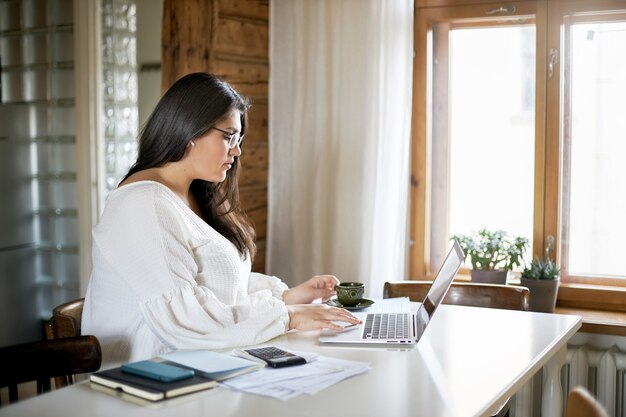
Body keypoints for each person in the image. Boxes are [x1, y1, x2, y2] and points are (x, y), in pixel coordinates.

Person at [82, 72, 361, 368]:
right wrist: (286, 316)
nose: (237, 150)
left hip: (199, 364)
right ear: (189, 129)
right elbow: (185, 319)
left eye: (238, 138)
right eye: (228, 136)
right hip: (147, 380)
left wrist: (285, 296)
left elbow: (216, 285)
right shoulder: (143, 204)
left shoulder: (190, 194)